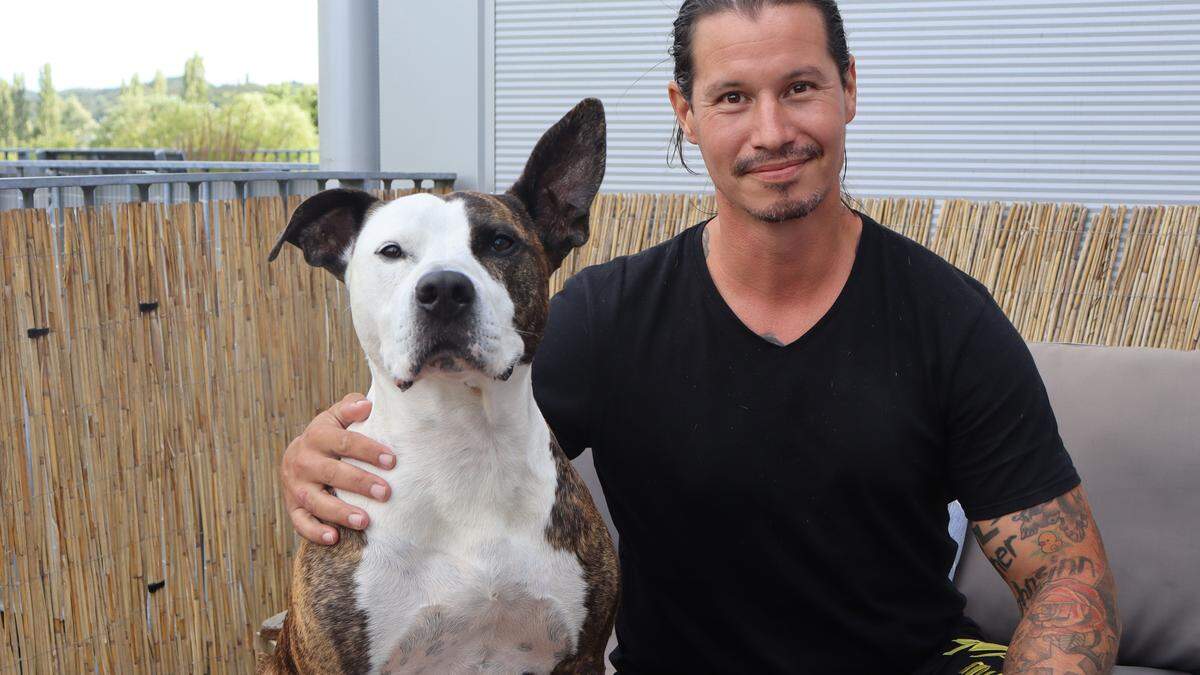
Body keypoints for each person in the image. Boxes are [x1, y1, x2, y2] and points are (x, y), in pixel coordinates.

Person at [277, 1, 1120, 672]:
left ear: (849, 88)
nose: (771, 131)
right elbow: (467, 419)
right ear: (683, 110)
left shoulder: (950, 318)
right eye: (731, 97)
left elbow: (1068, 576)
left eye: (800, 87)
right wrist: (321, 455)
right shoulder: (606, 318)